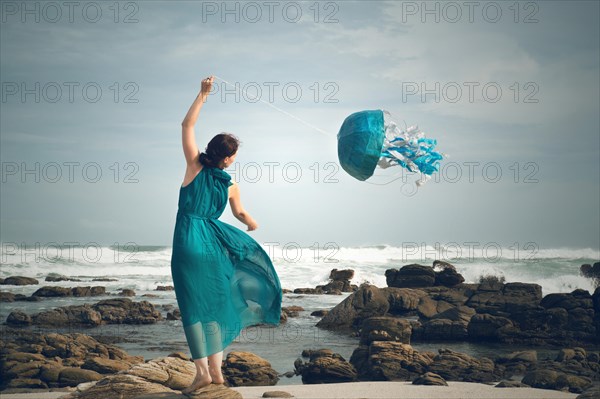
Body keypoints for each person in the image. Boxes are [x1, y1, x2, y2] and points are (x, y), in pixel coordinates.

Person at [170, 75, 283, 395]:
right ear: (230, 158)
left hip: (187, 238)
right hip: (213, 243)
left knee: (192, 307)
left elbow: (186, 126)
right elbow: (241, 214)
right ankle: (217, 372)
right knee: (216, 306)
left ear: (210, 150)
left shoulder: (194, 166)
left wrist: (203, 94)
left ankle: (203, 373)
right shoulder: (231, 184)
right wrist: (253, 225)